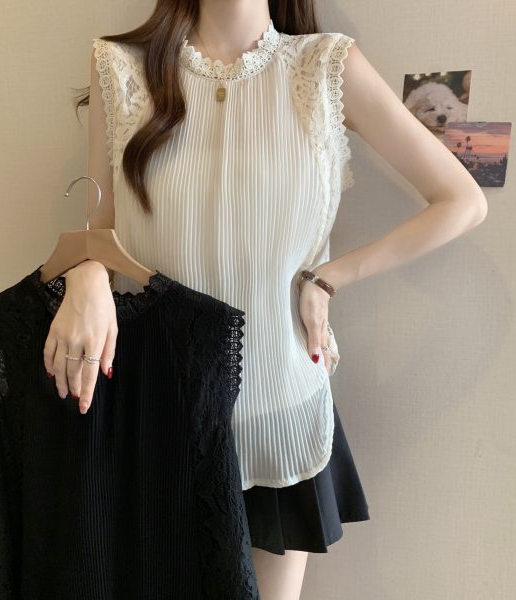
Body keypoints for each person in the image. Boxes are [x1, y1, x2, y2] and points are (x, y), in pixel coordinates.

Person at [43, 1, 488, 598]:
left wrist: (329, 278)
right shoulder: (119, 68)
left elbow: (462, 201)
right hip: (155, 414)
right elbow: (100, 230)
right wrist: (85, 277)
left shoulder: (324, 67)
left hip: (280, 411)